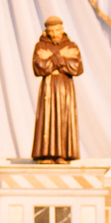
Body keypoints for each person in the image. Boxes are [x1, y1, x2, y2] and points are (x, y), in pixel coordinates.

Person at [31, 15, 83, 161]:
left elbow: (76, 68)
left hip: (65, 87)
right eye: (51, 31)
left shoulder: (71, 46)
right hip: (48, 87)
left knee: (64, 118)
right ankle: (46, 154)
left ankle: (62, 154)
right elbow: (40, 67)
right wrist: (61, 57)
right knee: (47, 118)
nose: (55, 34)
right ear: (46, 31)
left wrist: (52, 59)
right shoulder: (41, 46)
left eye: (58, 30)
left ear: (62, 29)